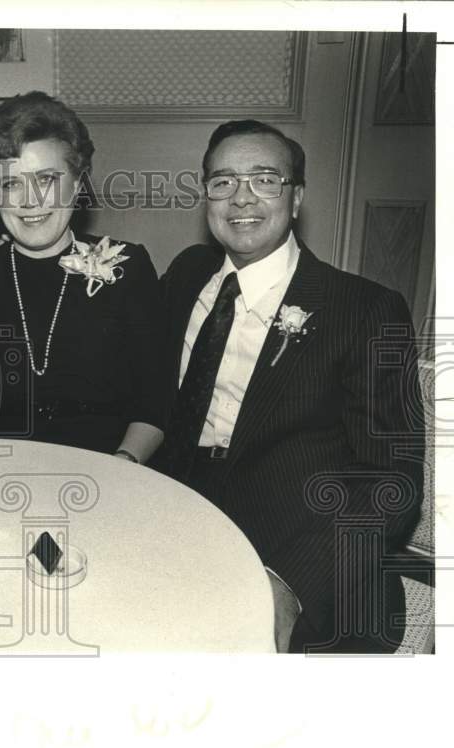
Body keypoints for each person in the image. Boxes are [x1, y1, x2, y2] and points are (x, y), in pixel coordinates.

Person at [153, 119, 424, 653]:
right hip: (178, 526)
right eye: (223, 181)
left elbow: (393, 481)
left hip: (301, 539)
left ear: (296, 198)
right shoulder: (186, 274)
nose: (241, 198)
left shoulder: (365, 310)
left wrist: (291, 585)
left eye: (265, 179)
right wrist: (12, 252)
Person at [0, 91, 167, 460]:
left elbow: (156, 400)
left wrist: (123, 467)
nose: (30, 201)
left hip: (112, 471)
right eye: (10, 183)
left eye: (46, 180)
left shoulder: (127, 268)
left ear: (77, 183)